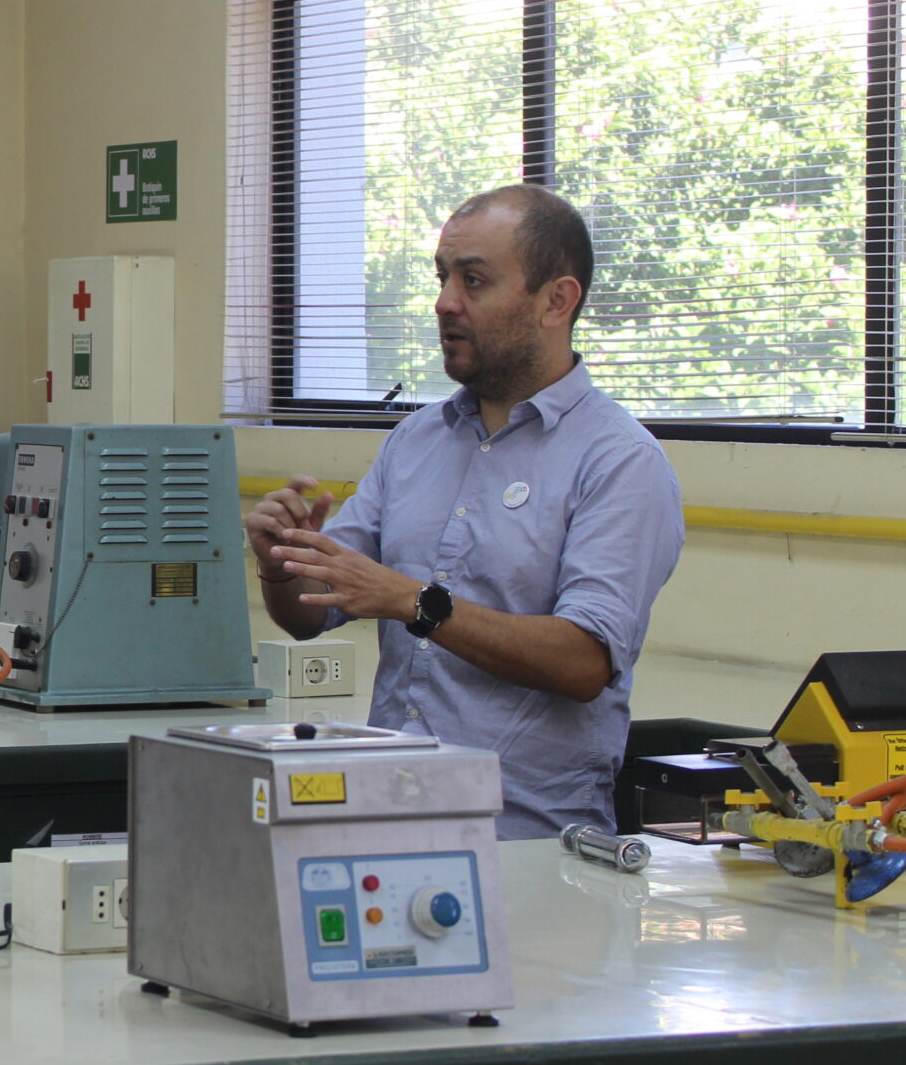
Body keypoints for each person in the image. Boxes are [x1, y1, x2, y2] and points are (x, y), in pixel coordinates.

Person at [247, 183, 684, 836]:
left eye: (473, 280)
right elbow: (311, 613)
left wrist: (416, 602)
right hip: (387, 816)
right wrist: (283, 562)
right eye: (442, 277)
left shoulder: (620, 461)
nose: (445, 302)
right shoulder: (417, 441)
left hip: (528, 841)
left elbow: (584, 661)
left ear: (556, 301)